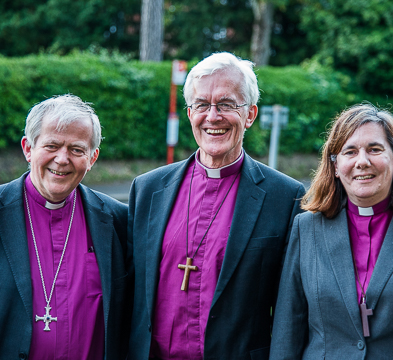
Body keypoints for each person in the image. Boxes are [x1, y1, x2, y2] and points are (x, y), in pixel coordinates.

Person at [127, 52, 306, 359]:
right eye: (201, 105)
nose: (212, 116)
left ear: (250, 114)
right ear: (189, 112)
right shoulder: (147, 190)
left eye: (226, 105)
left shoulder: (285, 197)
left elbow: (292, 308)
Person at [270, 103, 393, 359]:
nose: (362, 162)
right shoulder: (306, 229)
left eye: (375, 149)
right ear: (335, 166)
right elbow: (287, 334)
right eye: (350, 152)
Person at [0, 94, 131, 359]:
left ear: (92, 157)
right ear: (28, 148)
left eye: (76, 149)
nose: (62, 159)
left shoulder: (117, 221)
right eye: (51, 146)